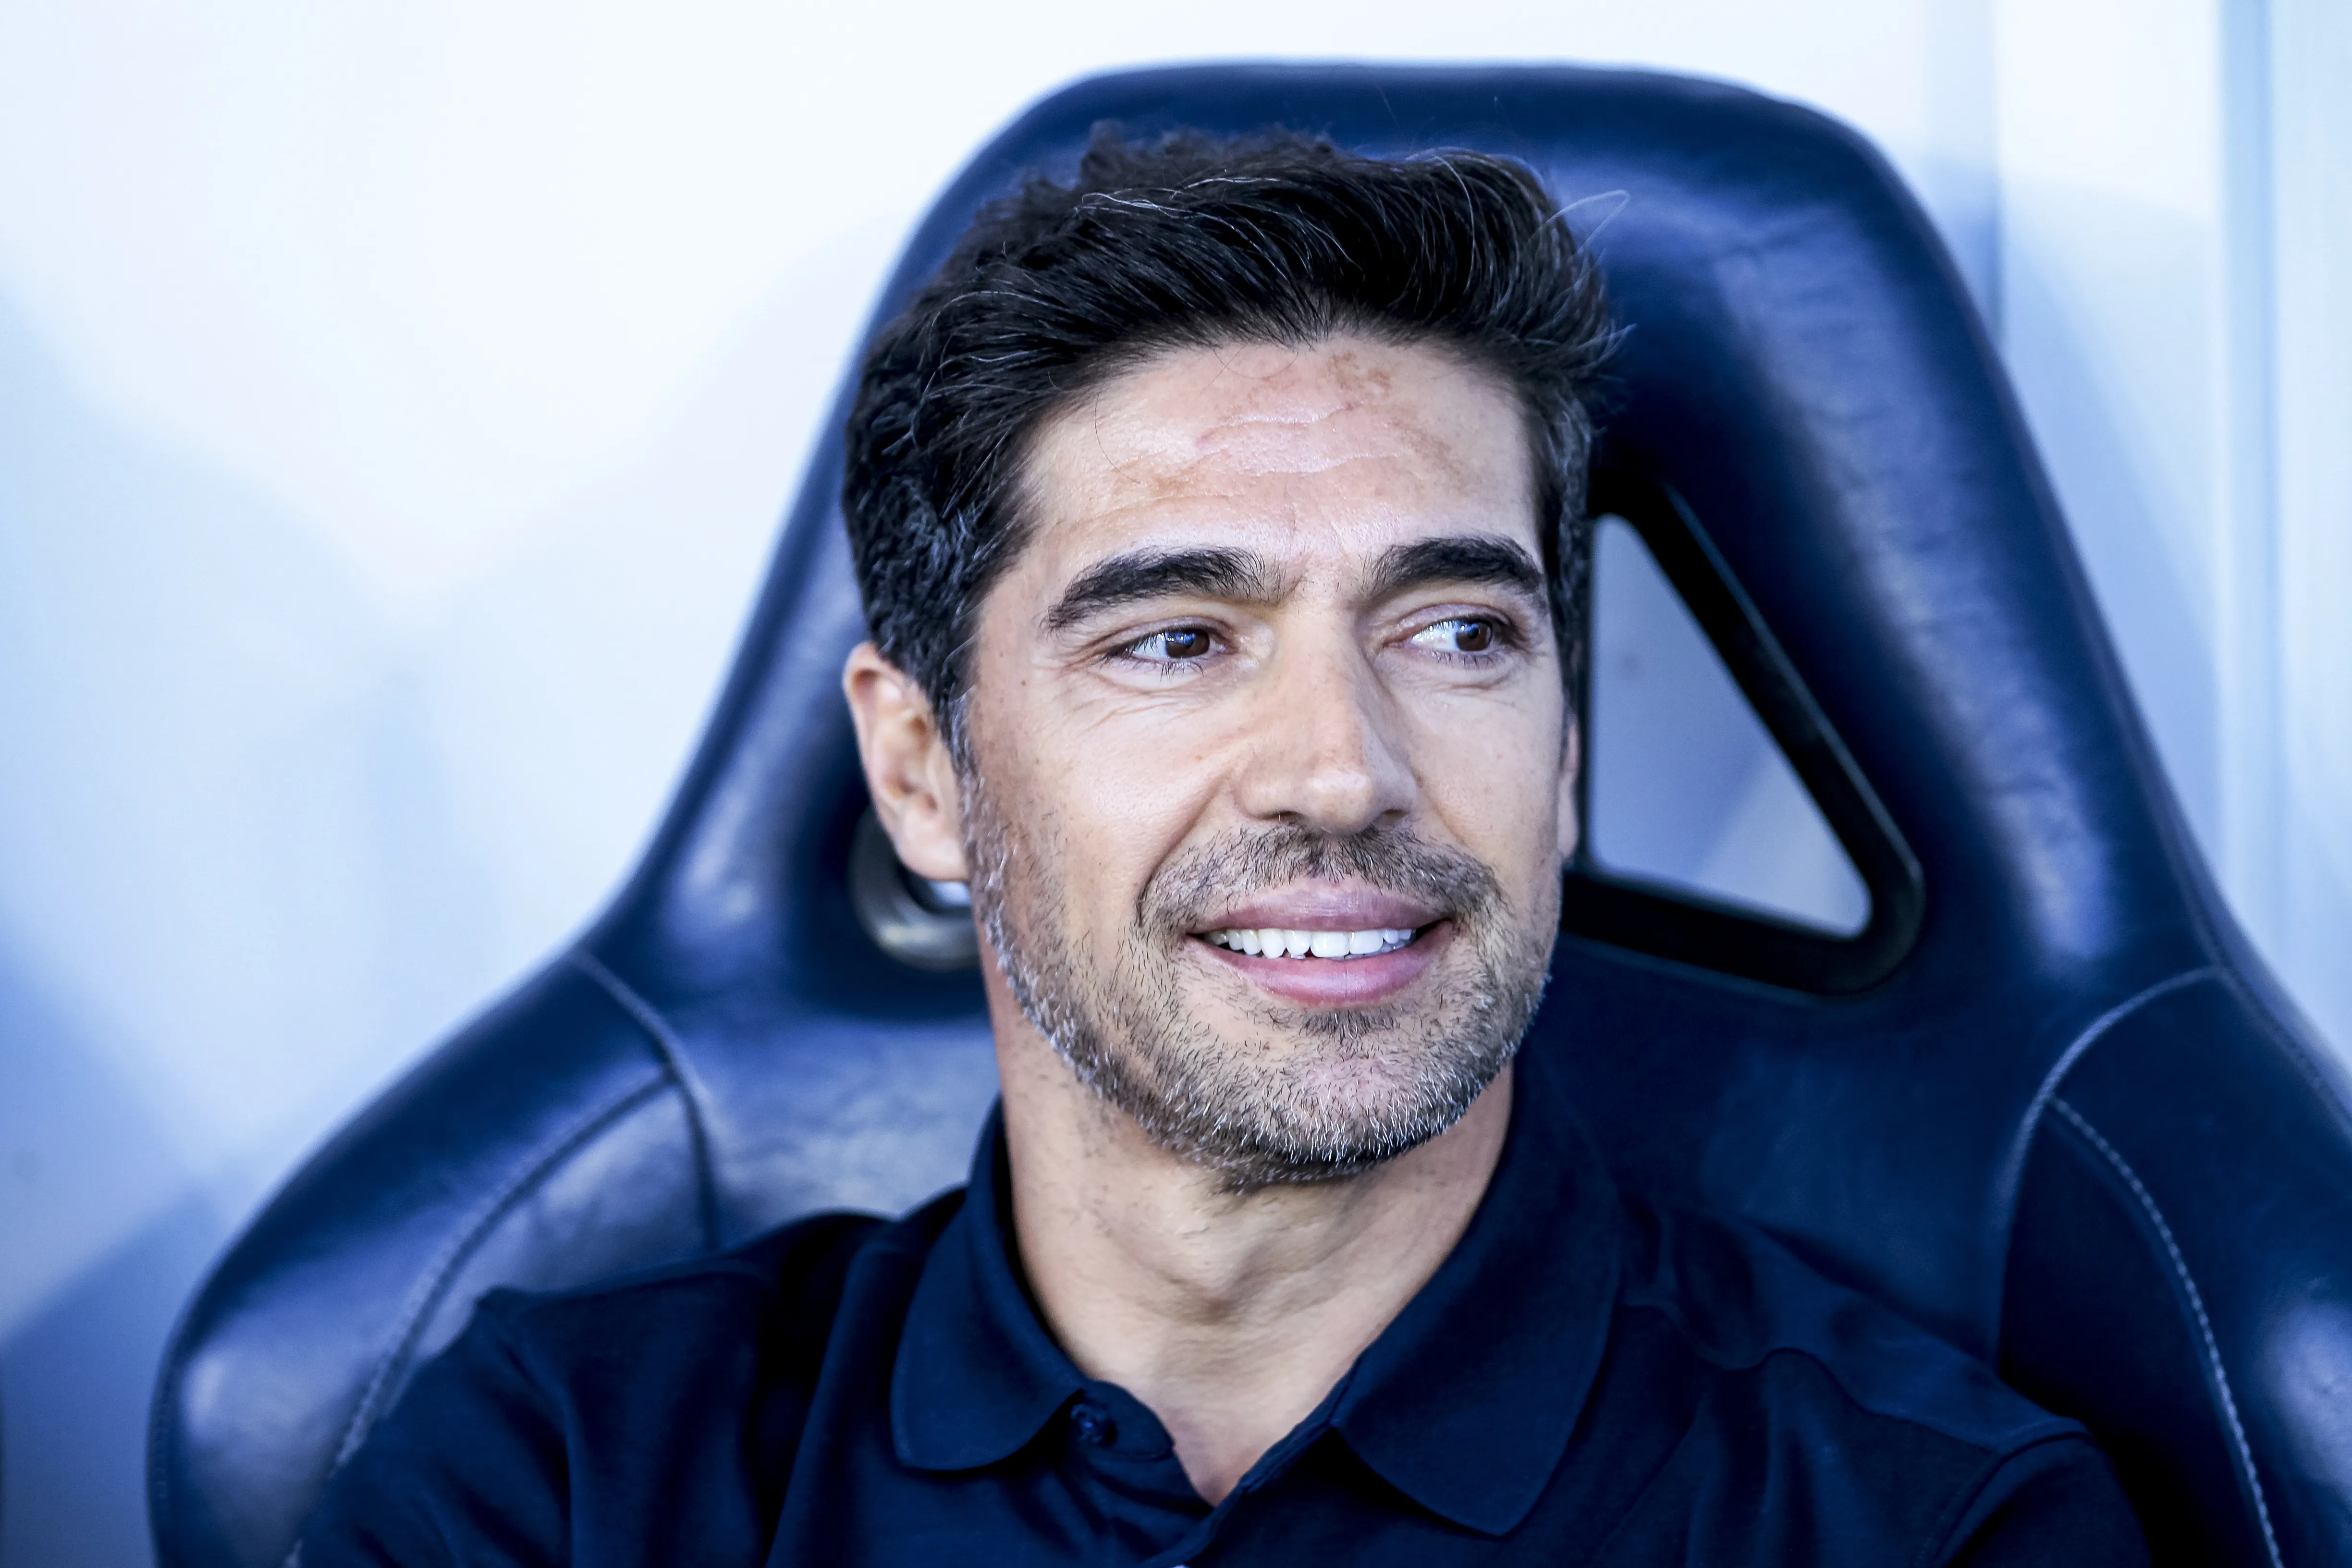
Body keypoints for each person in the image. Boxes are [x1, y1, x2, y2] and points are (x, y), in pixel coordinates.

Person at [298, 130, 2150, 1566]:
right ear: (924, 770)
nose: (1342, 773)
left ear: (1566, 755)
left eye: (1458, 633)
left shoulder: (1930, 1527)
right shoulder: (556, 1479)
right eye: (1177, 642)